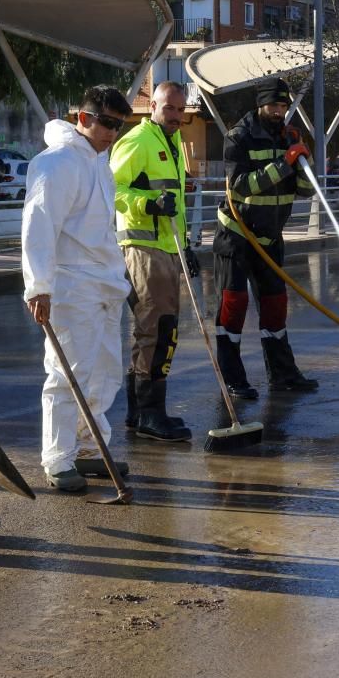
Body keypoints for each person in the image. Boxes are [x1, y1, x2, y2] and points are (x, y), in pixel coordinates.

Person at [22, 85, 133, 492]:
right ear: (82, 119)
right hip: (71, 285)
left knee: (103, 373)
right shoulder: (57, 163)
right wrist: (39, 287)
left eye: (119, 126)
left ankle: (89, 448)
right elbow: (39, 225)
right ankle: (58, 457)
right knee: (67, 373)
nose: (112, 133)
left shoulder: (98, 163)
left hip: (103, 285)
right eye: (106, 123)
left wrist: (119, 278)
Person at [213, 77, 319, 399]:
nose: (279, 112)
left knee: (275, 306)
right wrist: (284, 163)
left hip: (271, 236)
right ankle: (234, 379)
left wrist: (303, 158)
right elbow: (241, 186)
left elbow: (306, 189)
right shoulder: (239, 137)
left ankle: (282, 374)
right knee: (234, 305)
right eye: (274, 106)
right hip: (237, 235)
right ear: (260, 105)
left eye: (284, 107)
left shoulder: (288, 137)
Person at [112, 81, 195, 442]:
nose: (176, 116)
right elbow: (111, 189)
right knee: (158, 328)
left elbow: (174, 202)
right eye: (169, 108)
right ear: (153, 107)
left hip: (167, 247)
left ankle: (140, 411)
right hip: (142, 247)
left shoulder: (173, 143)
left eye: (180, 109)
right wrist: (147, 204)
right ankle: (148, 412)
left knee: (155, 330)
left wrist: (185, 246)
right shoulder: (137, 141)